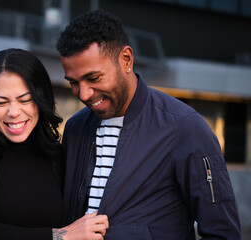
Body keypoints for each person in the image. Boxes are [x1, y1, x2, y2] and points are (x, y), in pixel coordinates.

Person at [56, 9, 241, 239]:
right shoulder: (74, 129)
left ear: (126, 60)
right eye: (74, 82)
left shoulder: (184, 128)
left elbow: (222, 233)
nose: (83, 93)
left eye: (94, 78)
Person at [0, 48, 108, 240]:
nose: (14, 112)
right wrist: (61, 236)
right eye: (1, 102)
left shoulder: (51, 150)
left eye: (25, 100)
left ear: (41, 100)